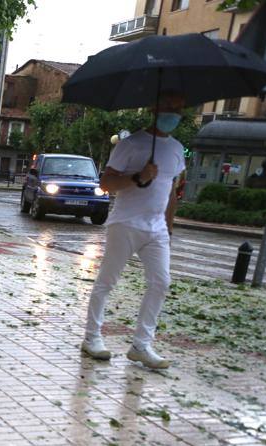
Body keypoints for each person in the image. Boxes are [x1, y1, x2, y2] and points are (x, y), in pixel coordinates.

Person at [81, 92, 187, 370]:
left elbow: (172, 192)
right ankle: (92, 338)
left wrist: (169, 226)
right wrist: (139, 176)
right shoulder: (130, 144)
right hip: (125, 223)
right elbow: (106, 183)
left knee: (161, 282)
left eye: (179, 109)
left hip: (157, 229)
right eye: (169, 107)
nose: (174, 114)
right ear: (154, 108)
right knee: (107, 281)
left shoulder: (176, 148)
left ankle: (141, 344)